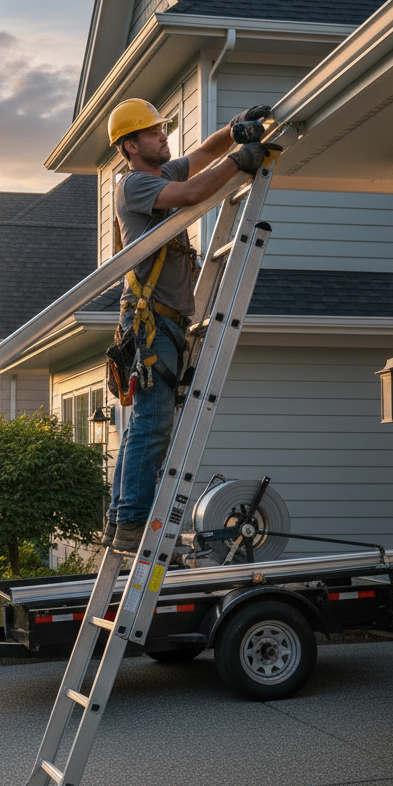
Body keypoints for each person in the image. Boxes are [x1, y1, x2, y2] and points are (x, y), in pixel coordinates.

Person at [105, 99, 270, 554]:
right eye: (154, 133)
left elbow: (202, 156)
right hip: (149, 319)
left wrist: (234, 131)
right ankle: (134, 521)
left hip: (163, 320)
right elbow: (196, 192)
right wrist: (241, 160)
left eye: (162, 129)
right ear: (130, 145)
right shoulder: (134, 184)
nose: (164, 137)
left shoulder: (162, 173)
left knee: (145, 424)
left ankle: (122, 518)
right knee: (152, 424)